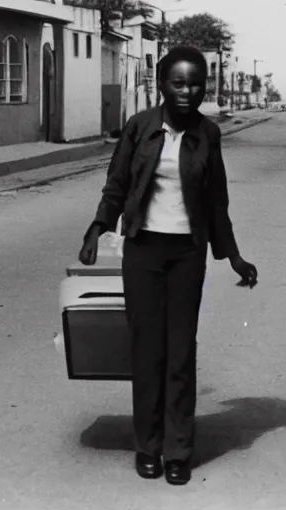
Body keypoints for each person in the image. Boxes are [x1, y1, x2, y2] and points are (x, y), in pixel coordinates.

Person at [79, 46, 258, 486]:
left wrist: (233, 255)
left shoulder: (208, 134)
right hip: (142, 251)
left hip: (187, 254)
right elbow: (117, 183)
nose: (187, 91)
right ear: (161, 84)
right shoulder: (140, 128)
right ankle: (148, 445)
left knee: (180, 352)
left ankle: (178, 449)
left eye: (196, 83)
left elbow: (217, 200)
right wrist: (97, 227)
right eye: (178, 82)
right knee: (147, 352)